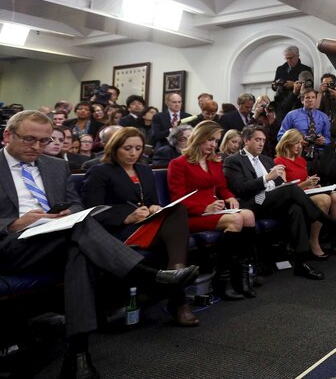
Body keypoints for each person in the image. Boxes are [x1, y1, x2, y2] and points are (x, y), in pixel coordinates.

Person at [0, 111, 198, 378]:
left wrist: (66, 214)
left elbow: (77, 205)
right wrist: (13, 224)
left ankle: (78, 355)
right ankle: (149, 276)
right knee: (80, 231)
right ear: (7, 136)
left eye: (44, 141)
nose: (37, 147)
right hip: (11, 244)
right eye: (29, 140)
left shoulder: (55, 166)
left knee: (78, 248)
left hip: (58, 238)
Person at [81, 127, 199, 326]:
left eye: (138, 148)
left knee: (177, 211)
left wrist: (154, 208)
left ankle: (175, 271)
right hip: (118, 231)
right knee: (173, 239)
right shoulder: (100, 171)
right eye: (127, 148)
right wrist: (126, 217)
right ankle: (179, 299)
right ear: (114, 147)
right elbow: (91, 210)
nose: (133, 153)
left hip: (146, 225)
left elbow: (151, 201)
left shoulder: (144, 169)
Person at [223, 125, 336, 281]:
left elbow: (278, 185)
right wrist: (266, 178)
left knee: (295, 208)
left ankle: (301, 263)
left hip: (272, 201)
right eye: (257, 140)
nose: (261, 144)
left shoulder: (266, 160)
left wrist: (279, 182)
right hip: (253, 202)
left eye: (263, 140)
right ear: (246, 140)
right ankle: (331, 223)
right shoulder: (233, 160)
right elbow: (240, 189)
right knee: (290, 190)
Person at [167, 120, 258, 300]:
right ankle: (222, 279)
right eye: (209, 140)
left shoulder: (215, 161)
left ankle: (241, 275)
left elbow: (222, 188)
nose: (213, 145)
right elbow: (177, 201)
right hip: (192, 215)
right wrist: (204, 208)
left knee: (248, 215)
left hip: (214, 212)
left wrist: (230, 197)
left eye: (216, 141)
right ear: (198, 137)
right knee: (236, 220)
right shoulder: (179, 163)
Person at [275, 129, 336, 258]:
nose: (299, 146)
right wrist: (305, 184)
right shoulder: (279, 161)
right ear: (287, 143)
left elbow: (304, 180)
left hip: (306, 192)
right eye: (296, 143)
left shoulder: (301, 161)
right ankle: (313, 241)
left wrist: (313, 184)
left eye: (300, 143)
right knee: (324, 200)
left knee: (335, 196)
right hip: (295, 196)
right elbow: (284, 189)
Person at [277, 90, 330, 162]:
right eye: (307, 98)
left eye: (313, 97)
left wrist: (323, 141)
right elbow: (281, 136)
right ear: (302, 100)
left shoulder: (323, 117)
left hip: (318, 153)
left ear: (316, 100)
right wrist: (297, 141)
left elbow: (328, 138)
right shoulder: (291, 115)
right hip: (297, 153)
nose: (310, 100)